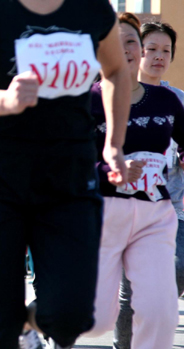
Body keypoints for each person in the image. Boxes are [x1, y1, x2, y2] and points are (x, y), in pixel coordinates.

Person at [0, 0, 132, 347]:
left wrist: (114, 145)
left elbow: (116, 70)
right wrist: (5, 101)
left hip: (68, 178)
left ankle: (27, 323)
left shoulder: (91, 8)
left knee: (69, 317)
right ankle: (11, 324)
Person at [83, 13, 184, 349]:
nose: (124, 48)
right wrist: (108, 170)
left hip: (155, 215)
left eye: (130, 41)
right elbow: (67, 162)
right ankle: (32, 320)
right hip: (102, 213)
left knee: (161, 313)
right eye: (115, 41)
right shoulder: (87, 101)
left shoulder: (167, 100)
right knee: (94, 320)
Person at [112, 20, 184, 349]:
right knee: (131, 293)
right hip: (125, 205)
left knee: (175, 273)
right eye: (151, 49)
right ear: (135, 52)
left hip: (174, 209)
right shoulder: (115, 96)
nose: (158, 56)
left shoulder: (177, 100)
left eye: (165, 51)